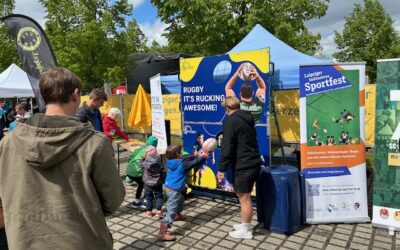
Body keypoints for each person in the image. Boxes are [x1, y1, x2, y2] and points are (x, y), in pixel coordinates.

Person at [0, 67, 125, 249]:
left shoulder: (7, 143)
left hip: (25, 241)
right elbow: (113, 200)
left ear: (42, 97)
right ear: (75, 95)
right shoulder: (94, 144)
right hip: (82, 240)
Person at [218, 96, 262, 239]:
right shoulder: (247, 118)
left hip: (244, 164)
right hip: (252, 161)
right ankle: (245, 224)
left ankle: (246, 230)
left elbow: (227, 147)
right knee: (244, 195)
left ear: (228, 109)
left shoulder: (231, 121)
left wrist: (221, 169)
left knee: (244, 197)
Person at [158, 144, 208, 241]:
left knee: (180, 200)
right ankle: (162, 232)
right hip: (174, 190)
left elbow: (185, 158)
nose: (182, 153)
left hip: (168, 186)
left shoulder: (170, 160)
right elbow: (192, 163)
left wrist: (195, 155)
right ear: (177, 154)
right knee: (171, 211)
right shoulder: (182, 164)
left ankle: (177, 215)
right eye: (181, 151)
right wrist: (202, 157)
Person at [126, 136, 158, 206]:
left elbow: (129, 159)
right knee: (146, 184)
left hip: (128, 171)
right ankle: (146, 202)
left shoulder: (139, 149)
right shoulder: (150, 152)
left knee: (140, 184)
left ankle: (137, 201)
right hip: (137, 173)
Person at [142, 146, 165, 218]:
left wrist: (143, 158)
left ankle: (149, 212)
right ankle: (158, 212)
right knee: (159, 196)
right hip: (158, 183)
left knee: (148, 197)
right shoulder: (158, 161)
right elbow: (162, 170)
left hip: (147, 183)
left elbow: (141, 165)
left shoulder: (145, 162)